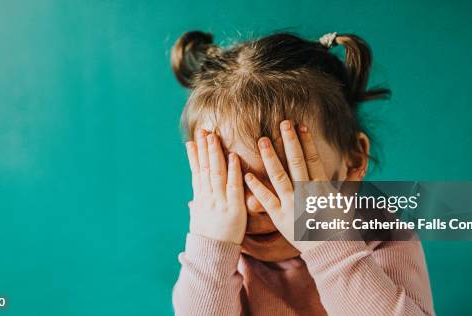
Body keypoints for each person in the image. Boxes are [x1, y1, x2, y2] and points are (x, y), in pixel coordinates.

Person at [170, 30, 434, 315]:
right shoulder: (218, 256)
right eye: (229, 179)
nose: (255, 203)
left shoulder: (382, 235)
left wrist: (327, 242)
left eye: (286, 176)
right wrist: (211, 250)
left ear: (353, 159)